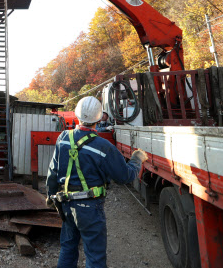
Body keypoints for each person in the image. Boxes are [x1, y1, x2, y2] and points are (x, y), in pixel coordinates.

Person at [46, 96, 148, 268]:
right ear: (99, 118)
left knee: (68, 248)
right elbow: (124, 177)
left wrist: (50, 195)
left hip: (66, 205)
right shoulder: (104, 146)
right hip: (90, 209)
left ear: (77, 115)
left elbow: (53, 172)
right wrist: (137, 160)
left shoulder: (63, 138)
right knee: (95, 256)